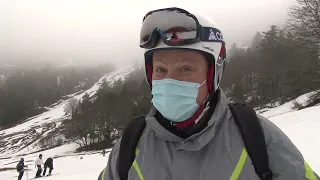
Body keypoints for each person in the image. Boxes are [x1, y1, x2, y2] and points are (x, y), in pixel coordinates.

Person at [98, 7, 319, 180]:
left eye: (185, 69)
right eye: (161, 70)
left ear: (213, 73)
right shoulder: (132, 142)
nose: (169, 80)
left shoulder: (255, 134)